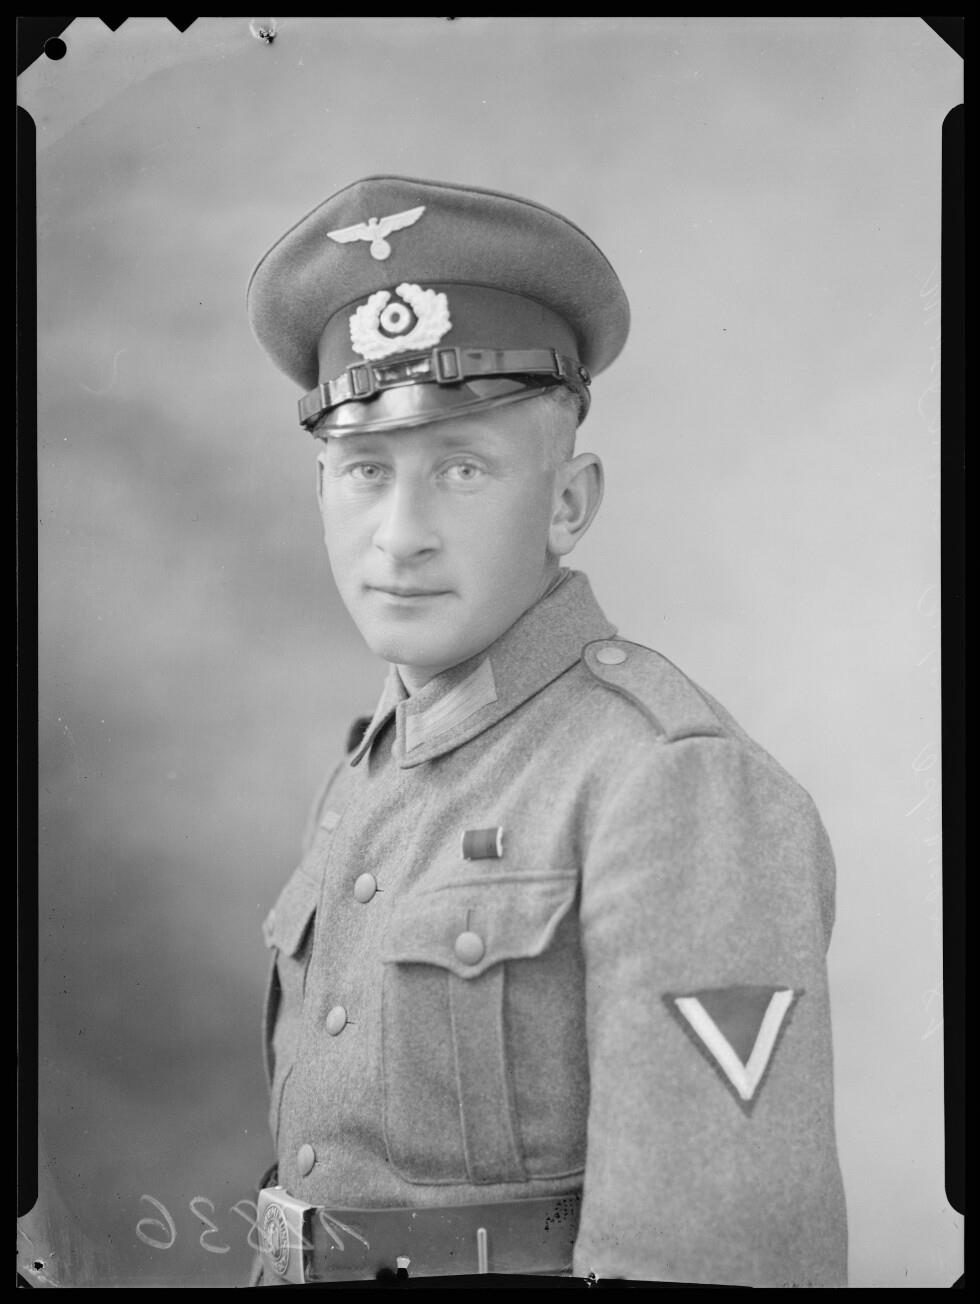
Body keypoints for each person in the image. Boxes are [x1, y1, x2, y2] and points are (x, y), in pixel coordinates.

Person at [246, 175, 848, 1287]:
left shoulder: (668, 783)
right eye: (365, 470)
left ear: (567, 504)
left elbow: (710, 1254)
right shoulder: (372, 764)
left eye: (461, 469)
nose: (400, 535)